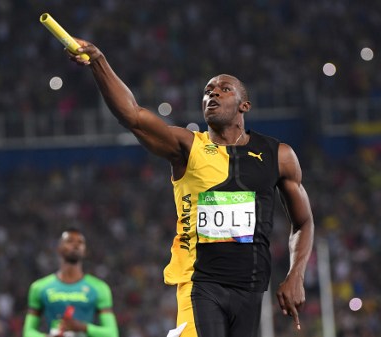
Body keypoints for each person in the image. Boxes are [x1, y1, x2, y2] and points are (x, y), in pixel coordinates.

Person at [64, 40, 315, 337]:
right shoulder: (187, 146)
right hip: (200, 283)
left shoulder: (279, 155)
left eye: (224, 89)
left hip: (250, 288)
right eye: (208, 90)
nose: (213, 93)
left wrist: (295, 274)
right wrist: (98, 61)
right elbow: (132, 115)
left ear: (244, 106)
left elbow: (303, 222)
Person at [23, 228, 119, 337]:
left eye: (80, 242)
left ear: (85, 251)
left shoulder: (99, 288)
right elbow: (28, 333)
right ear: (59, 248)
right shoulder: (39, 288)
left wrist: (82, 327)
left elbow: (112, 334)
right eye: (70, 241)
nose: (76, 245)